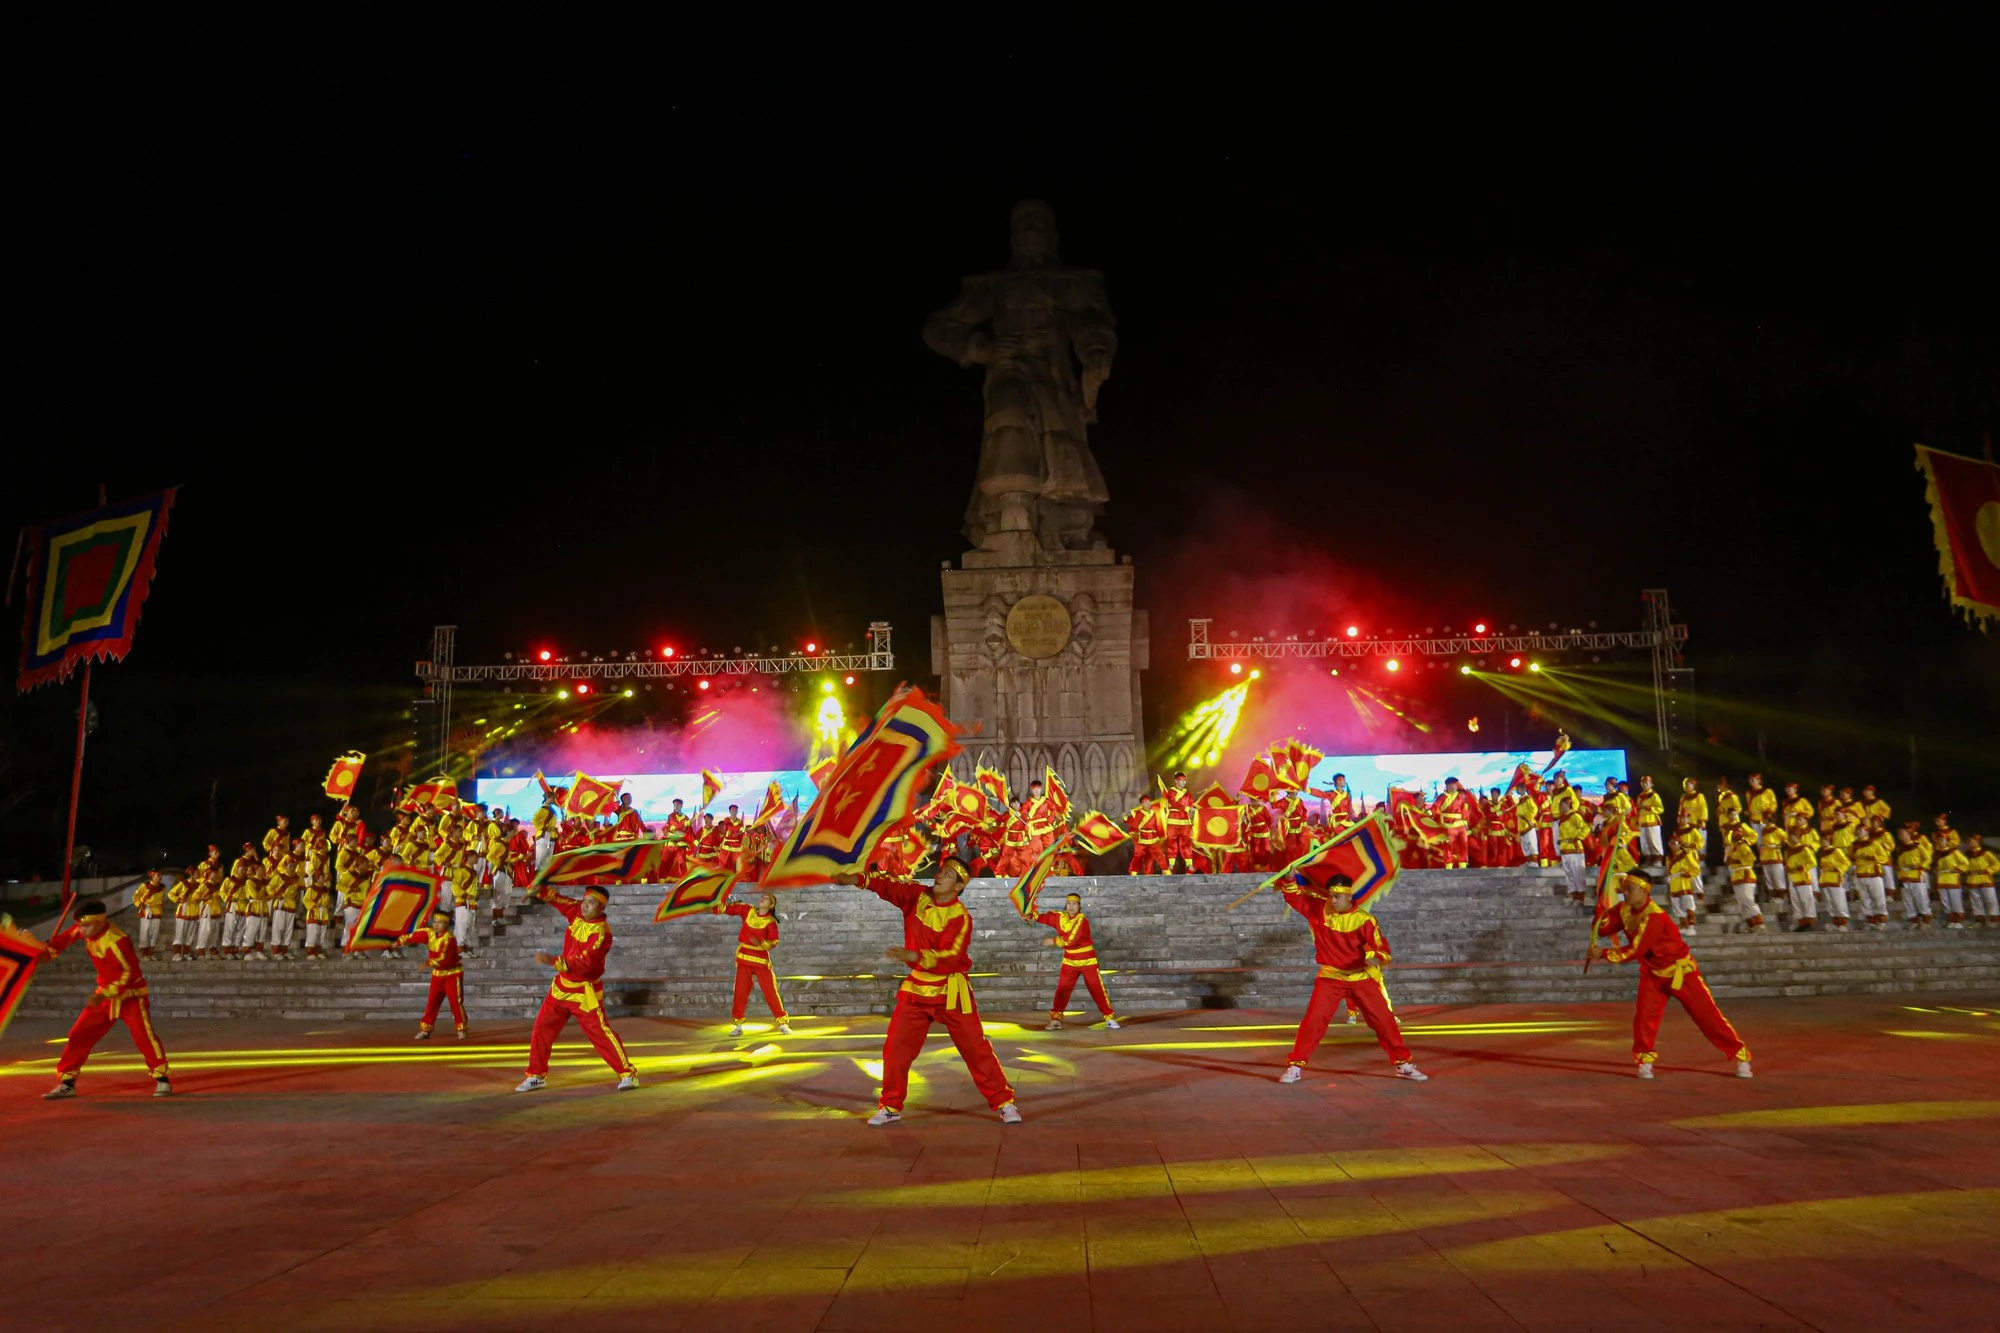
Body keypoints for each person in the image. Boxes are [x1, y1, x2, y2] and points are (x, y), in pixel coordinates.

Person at [835, 857, 1022, 1125]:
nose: (938, 876)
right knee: (896, 1048)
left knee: (975, 1049)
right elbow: (888, 886)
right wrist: (854, 879)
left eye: (947, 874)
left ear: (958, 886)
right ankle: (890, 1105)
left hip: (951, 990)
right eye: (940, 871)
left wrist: (912, 954)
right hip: (917, 989)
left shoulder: (960, 917)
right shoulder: (916, 896)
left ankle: (1004, 1102)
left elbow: (951, 955)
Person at [1590, 870, 1753, 1080]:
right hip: (1652, 974)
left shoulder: (1654, 916)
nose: (1625, 893)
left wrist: (1603, 953)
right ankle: (1645, 1061)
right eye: (1624, 890)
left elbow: (1636, 950)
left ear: (1644, 890)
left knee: (1708, 1017)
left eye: (1630, 890)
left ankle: (1740, 1056)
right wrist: (1600, 915)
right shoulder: (1624, 910)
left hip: (1680, 972)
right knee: (1644, 1018)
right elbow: (1603, 929)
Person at [1276, 873, 1427, 1084]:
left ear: (1349, 896)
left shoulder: (1364, 920)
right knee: (1313, 1021)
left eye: (1337, 896)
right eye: (1331, 896)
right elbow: (1294, 897)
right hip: (1331, 976)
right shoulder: (1319, 910)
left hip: (1360, 977)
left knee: (1384, 1021)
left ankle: (1402, 1064)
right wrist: (1290, 879)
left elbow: (1381, 948)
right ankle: (1295, 1066)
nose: (1333, 900)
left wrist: (1376, 958)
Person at [39, 900, 173, 1100]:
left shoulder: (117, 940)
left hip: (131, 995)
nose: (81, 930)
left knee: (143, 1035)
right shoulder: (85, 929)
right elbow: (65, 937)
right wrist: (49, 952)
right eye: (81, 925)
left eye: (86, 926)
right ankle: (67, 1082)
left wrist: (102, 994)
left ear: (101, 921)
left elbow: (129, 974)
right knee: (79, 1033)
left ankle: (162, 1079)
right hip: (104, 995)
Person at [516, 883, 638, 1092]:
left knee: (600, 1033)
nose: (585, 906)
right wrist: (540, 889)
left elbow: (586, 964)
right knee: (542, 1029)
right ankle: (536, 1075)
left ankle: (628, 1073)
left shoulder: (601, 933)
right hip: (561, 987)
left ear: (601, 908)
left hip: (584, 991)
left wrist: (553, 960)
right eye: (585, 901)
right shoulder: (576, 912)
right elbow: (559, 900)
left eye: (591, 903)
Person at [1034, 891, 1120, 1030]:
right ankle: (1056, 1019)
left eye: (1074, 904)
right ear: (1065, 905)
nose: (1071, 906)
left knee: (1096, 988)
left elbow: (1071, 940)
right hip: (1069, 960)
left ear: (1079, 906)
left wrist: (1053, 940)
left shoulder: (1082, 920)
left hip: (1087, 960)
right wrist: (1030, 915)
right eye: (1069, 904)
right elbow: (1045, 918)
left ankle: (1109, 1017)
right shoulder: (1060, 917)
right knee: (1062, 989)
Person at [716, 891, 791, 1036]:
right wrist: (716, 907)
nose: (763, 898)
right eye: (762, 897)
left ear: (771, 905)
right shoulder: (748, 910)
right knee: (740, 991)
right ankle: (738, 1025)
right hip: (744, 957)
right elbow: (731, 909)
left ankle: (782, 1023)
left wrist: (761, 943)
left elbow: (773, 941)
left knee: (770, 991)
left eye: (767, 899)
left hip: (760, 960)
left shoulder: (770, 922)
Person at [396, 907, 469, 1040]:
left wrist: (427, 963)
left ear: (446, 925)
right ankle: (426, 1029)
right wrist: (400, 941)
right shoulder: (429, 933)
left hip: (452, 974)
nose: (436, 924)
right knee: (432, 1002)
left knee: (455, 1002)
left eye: (440, 922)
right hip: (437, 974)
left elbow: (444, 958)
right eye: (435, 921)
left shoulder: (449, 939)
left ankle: (461, 1028)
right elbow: (415, 935)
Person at [1723, 821, 1764, 930]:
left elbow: (1751, 859)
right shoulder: (1732, 848)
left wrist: (1737, 860)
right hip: (1737, 875)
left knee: (1747, 898)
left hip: (1745, 874)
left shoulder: (1744, 846)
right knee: (1741, 900)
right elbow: (1727, 860)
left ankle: (1759, 921)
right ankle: (1750, 922)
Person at [1895, 825, 1933, 927]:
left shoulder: (1917, 846)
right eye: (1900, 835)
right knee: (1908, 901)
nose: (1901, 836)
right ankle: (1914, 921)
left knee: (1921, 898)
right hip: (1904, 877)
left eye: (1903, 833)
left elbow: (1927, 858)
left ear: (1908, 834)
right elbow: (1899, 864)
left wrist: (1920, 866)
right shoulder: (1900, 849)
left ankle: (1926, 921)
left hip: (1916, 875)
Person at [1667, 829, 1703, 933]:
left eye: (1675, 843)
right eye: (1671, 843)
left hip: (1684, 881)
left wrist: (1689, 874)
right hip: (1674, 882)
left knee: (1688, 905)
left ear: (1679, 844)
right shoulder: (1669, 857)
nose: (1673, 845)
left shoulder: (1685, 854)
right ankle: (1684, 926)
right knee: (1677, 906)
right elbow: (1668, 871)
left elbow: (1696, 868)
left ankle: (1691, 927)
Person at [1160, 773, 1197, 874]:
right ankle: (1171, 862)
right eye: (1181, 780)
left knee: (1186, 842)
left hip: (1185, 821)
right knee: (1171, 841)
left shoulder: (1188, 793)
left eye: (1184, 780)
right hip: (1173, 820)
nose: (1183, 782)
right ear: (1176, 781)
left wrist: (1191, 814)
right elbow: (1173, 803)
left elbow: (1191, 805)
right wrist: (1186, 808)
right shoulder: (1171, 792)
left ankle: (1189, 863)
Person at [1557, 799, 1592, 904]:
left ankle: (1580, 896)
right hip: (1565, 849)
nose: (1560, 807)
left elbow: (1586, 828)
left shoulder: (1574, 816)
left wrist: (1577, 838)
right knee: (1569, 873)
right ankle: (1573, 894)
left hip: (1574, 849)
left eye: (1562, 805)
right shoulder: (1562, 818)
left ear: (1568, 805)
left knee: (1578, 873)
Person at [1934, 833, 1970, 930]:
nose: (1940, 842)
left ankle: (1958, 920)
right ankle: (1951, 920)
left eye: (1942, 840)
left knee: (1955, 900)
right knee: (1945, 901)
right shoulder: (1938, 854)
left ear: (1947, 841)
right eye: (1939, 840)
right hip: (1942, 879)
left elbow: (1965, 862)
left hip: (1952, 878)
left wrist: (1957, 869)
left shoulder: (1954, 852)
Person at [1964, 833, 1998, 927]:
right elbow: (1964, 865)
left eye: (1971, 841)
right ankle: (1980, 919)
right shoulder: (1967, 854)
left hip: (1985, 879)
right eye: (1968, 841)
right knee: (1976, 900)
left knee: (1990, 899)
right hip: (1972, 879)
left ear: (1977, 842)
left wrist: (1988, 870)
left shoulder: (1985, 853)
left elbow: (1996, 864)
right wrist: (1966, 871)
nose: (1969, 843)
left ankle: (1994, 919)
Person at [132, 870, 167, 960]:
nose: (160, 877)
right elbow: (136, 896)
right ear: (152, 876)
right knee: (145, 931)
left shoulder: (162, 887)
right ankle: (144, 953)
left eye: (160, 875)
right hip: (147, 910)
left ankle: (151, 952)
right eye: (158, 875)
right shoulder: (145, 886)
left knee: (154, 932)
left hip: (157, 911)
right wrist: (140, 904)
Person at [1634, 776, 1666, 864]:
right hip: (1642, 821)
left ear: (1651, 784)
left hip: (1652, 821)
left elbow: (1660, 809)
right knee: (1644, 841)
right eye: (1642, 783)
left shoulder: (1654, 795)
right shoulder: (1640, 796)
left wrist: (1649, 808)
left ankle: (1657, 858)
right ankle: (1648, 858)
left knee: (1654, 840)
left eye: (1646, 783)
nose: (1644, 785)